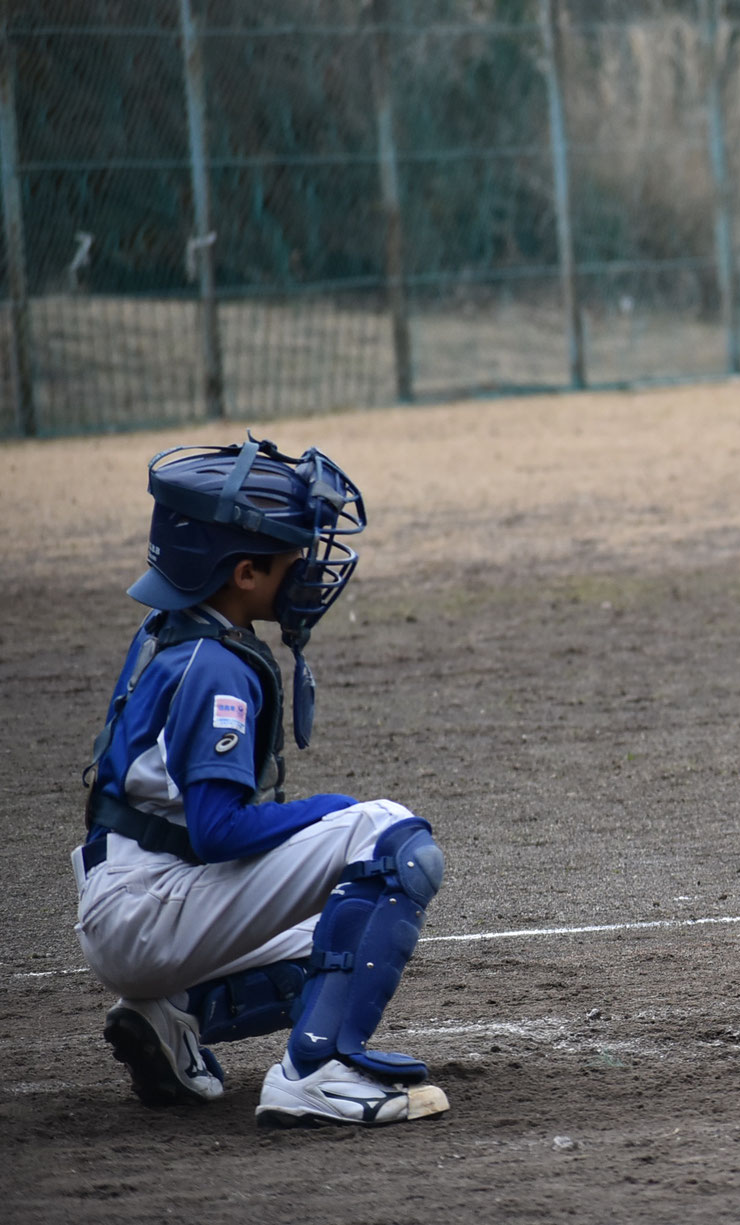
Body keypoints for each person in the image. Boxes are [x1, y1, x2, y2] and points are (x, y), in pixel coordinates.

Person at [76, 436, 450, 1128]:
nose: (308, 571)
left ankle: (169, 1017)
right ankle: (317, 1073)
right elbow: (219, 830)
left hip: (132, 899)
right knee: (392, 838)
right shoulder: (216, 669)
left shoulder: (170, 629)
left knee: (335, 936)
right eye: (291, 560)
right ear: (244, 572)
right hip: (153, 905)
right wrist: (334, 811)